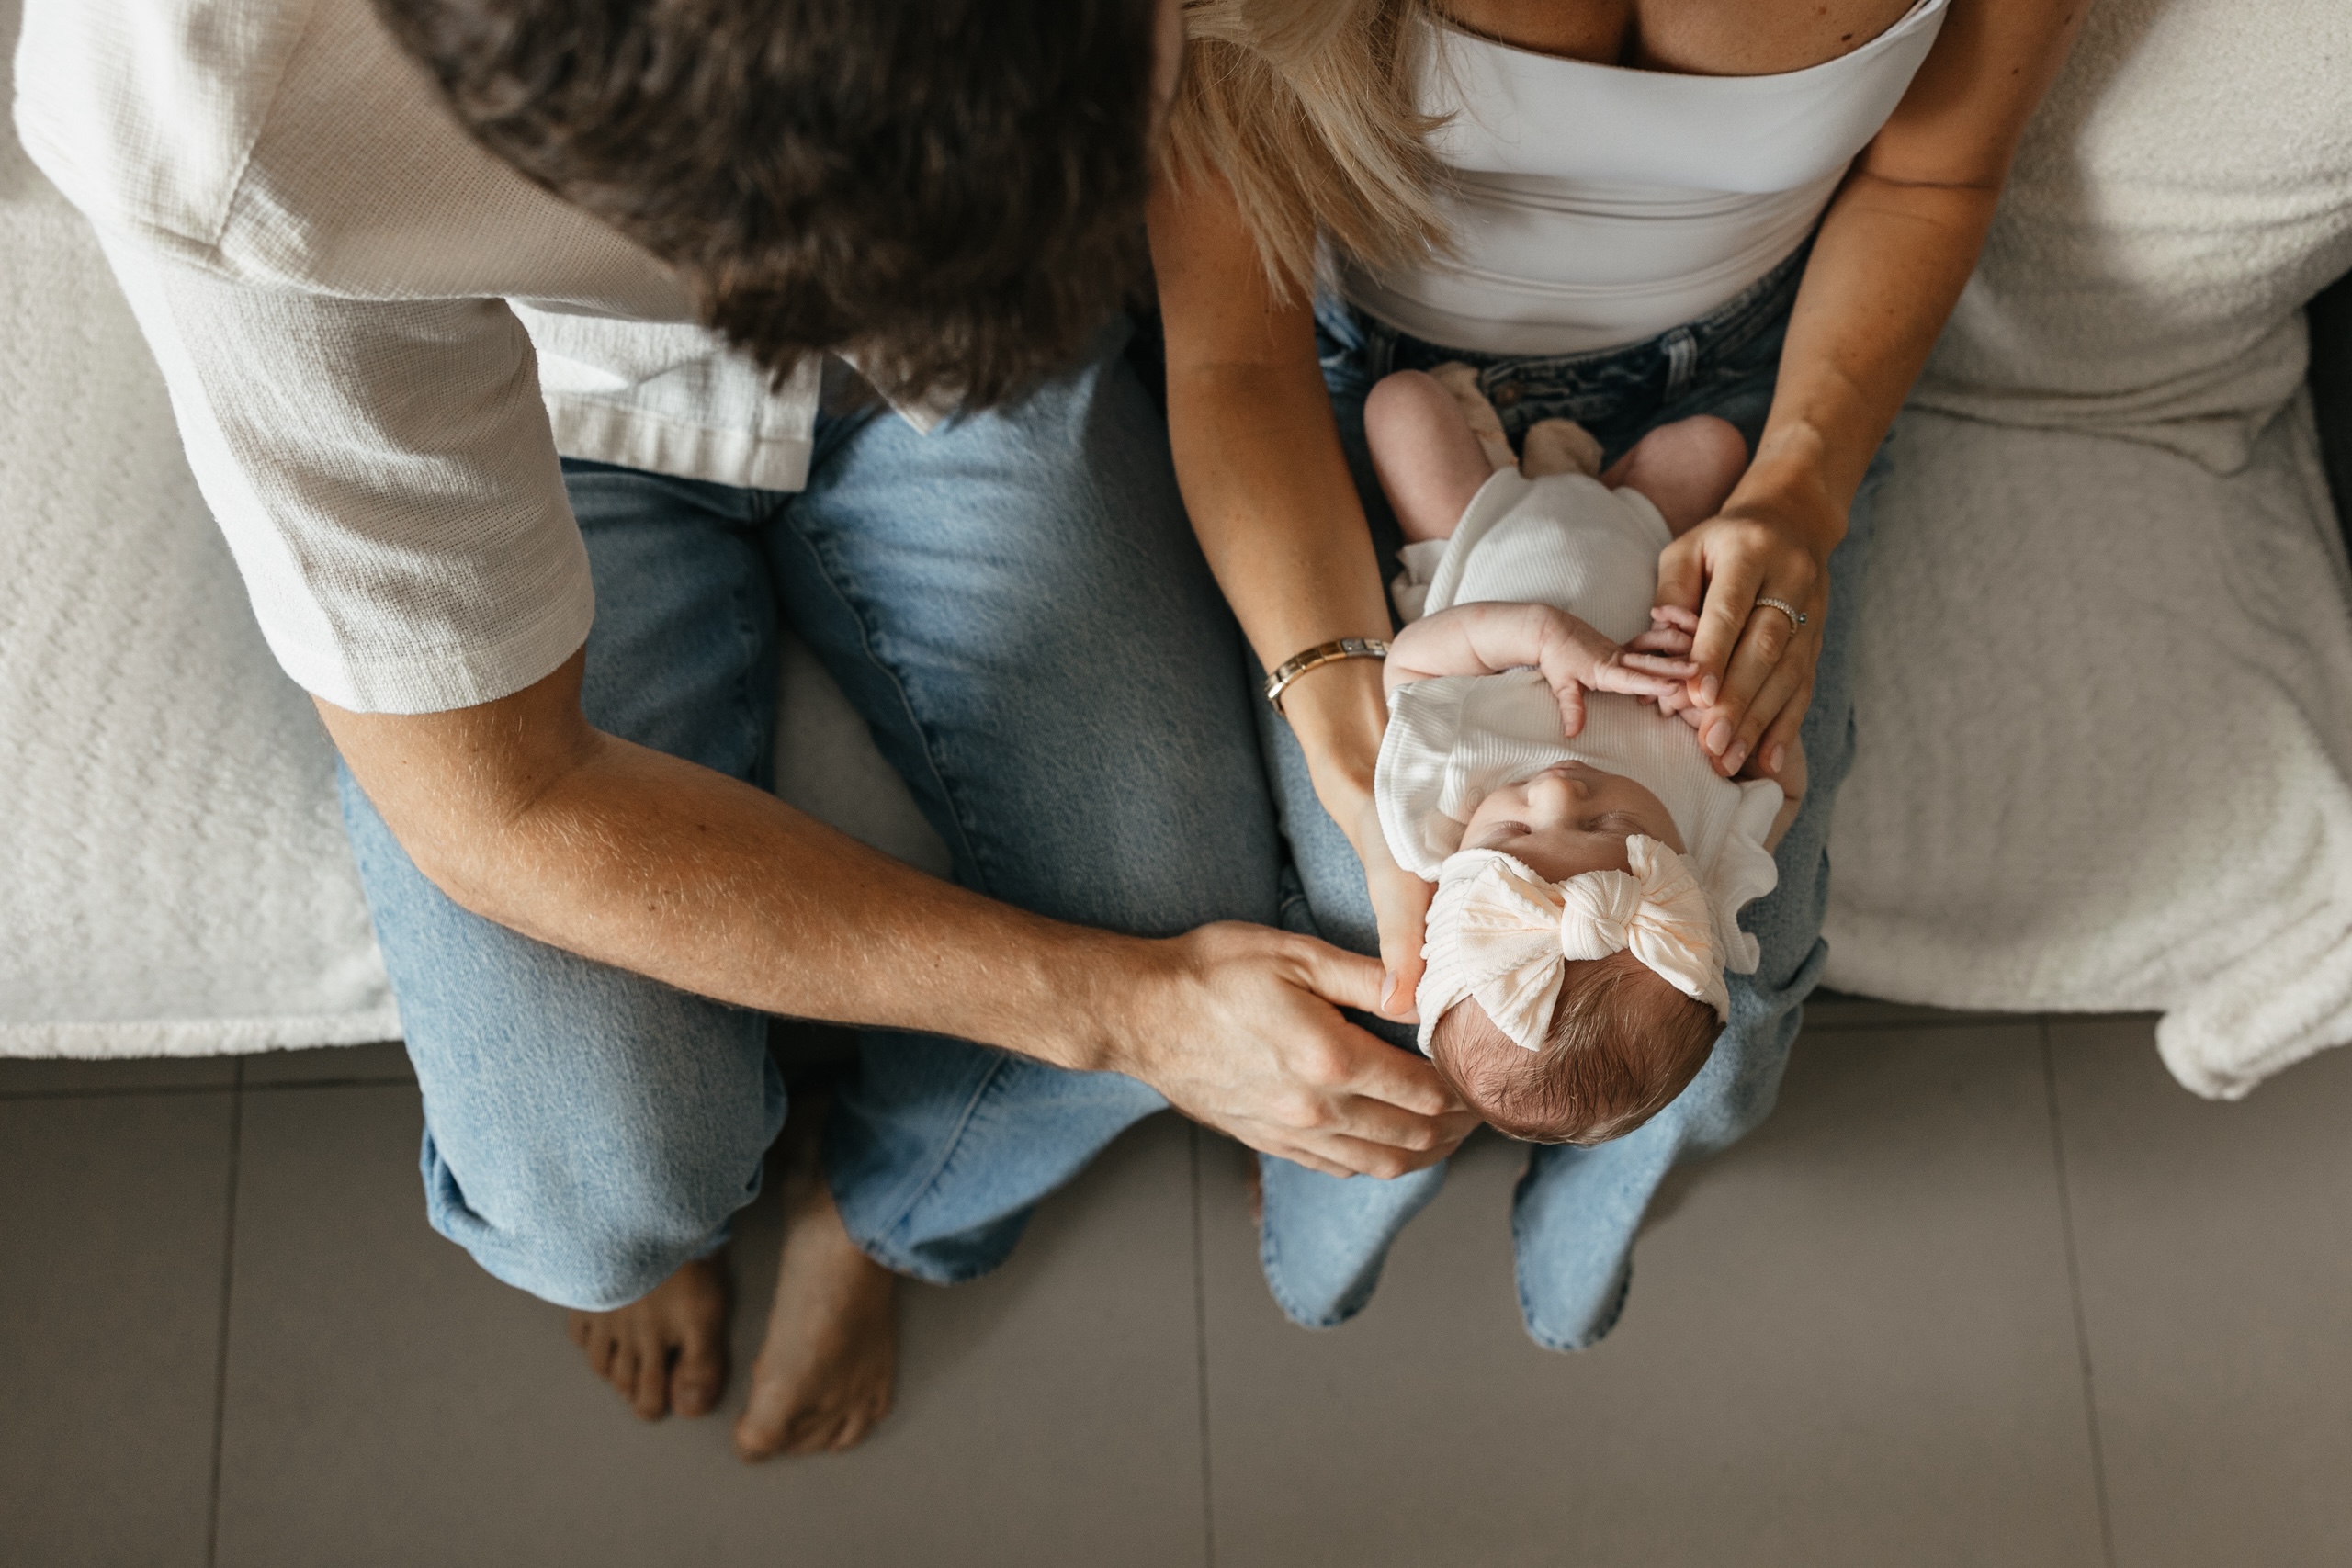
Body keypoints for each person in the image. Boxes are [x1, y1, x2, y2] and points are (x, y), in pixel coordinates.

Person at [12, 0, 1476, 1458]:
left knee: (1173, 891)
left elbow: (1230, 277)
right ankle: (726, 1203)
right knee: (603, 1199)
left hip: (977, 330)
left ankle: (885, 1205)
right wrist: (1124, 1010)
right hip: (516, 402)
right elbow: (503, 806)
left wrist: (1335, 708)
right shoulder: (215, 106)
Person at [1140, 0, 2084, 1348]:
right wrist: (1349, 725)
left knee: (1725, 1045)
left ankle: (1597, 1197)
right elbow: (1233, 346)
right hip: (1375, 374)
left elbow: (1937, 167)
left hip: (1759, 376)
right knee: (1385, 967)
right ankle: (1336, 1230)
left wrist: (1799, 500)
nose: (1565, 802)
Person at [1366, 367, 1797, 1156]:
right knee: (1713, 447)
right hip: (1644, 540)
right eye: (1610, 823)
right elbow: (1784, 787)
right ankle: (1601, 473)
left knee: (1399, 408)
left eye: (1510, 838)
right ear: (1686, 893)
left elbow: (1411, 668)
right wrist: (1735, 718)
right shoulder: (1707, 846)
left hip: (1482, 533)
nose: (1557, 794)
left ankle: (1518, 454)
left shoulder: (1434, 806)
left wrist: (1534, 634)